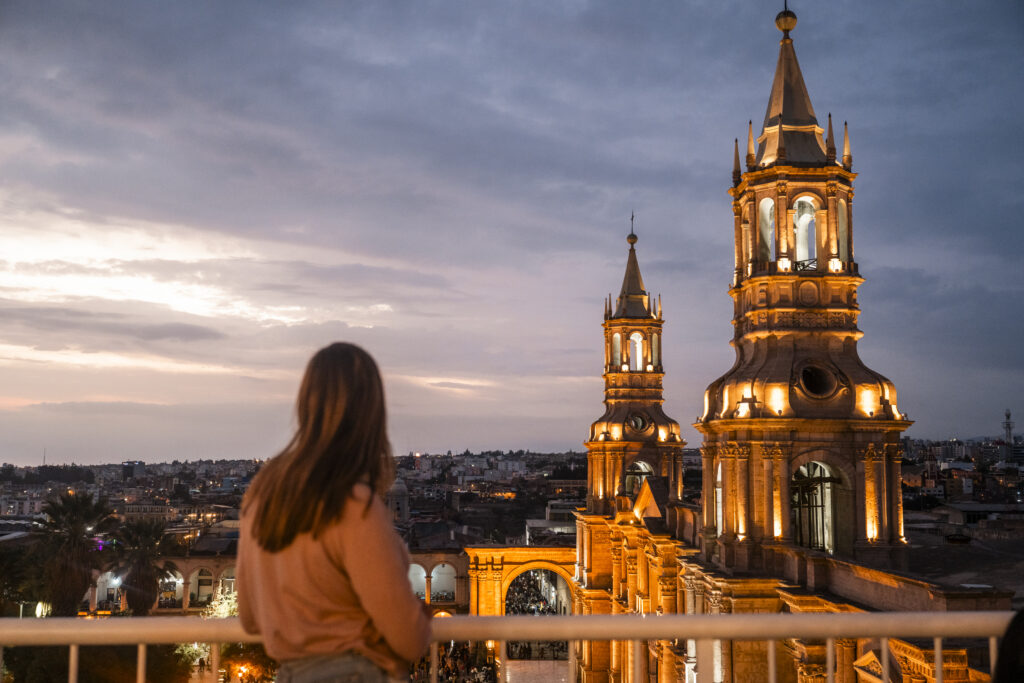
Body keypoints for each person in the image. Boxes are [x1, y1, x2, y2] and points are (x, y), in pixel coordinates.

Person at [237, 342, 431, 682]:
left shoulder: (261, 495)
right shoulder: (353, 505)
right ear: (372, 412)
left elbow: (251, 618)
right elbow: (409, 639)